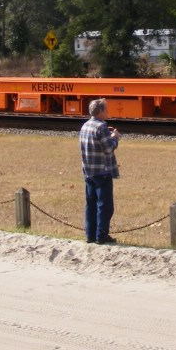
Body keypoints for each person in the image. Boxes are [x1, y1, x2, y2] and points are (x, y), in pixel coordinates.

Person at [80, 98, 120, 245]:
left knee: (90, 204)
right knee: (105, 205)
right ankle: (101, 235)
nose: (108, 112)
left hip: (88, 171)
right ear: (101, 111)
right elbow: (108, 148)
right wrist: (115, 138)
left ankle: (90, 234)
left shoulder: (85, 126)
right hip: (102, 172)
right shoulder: (101, 127)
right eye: (106, 109)